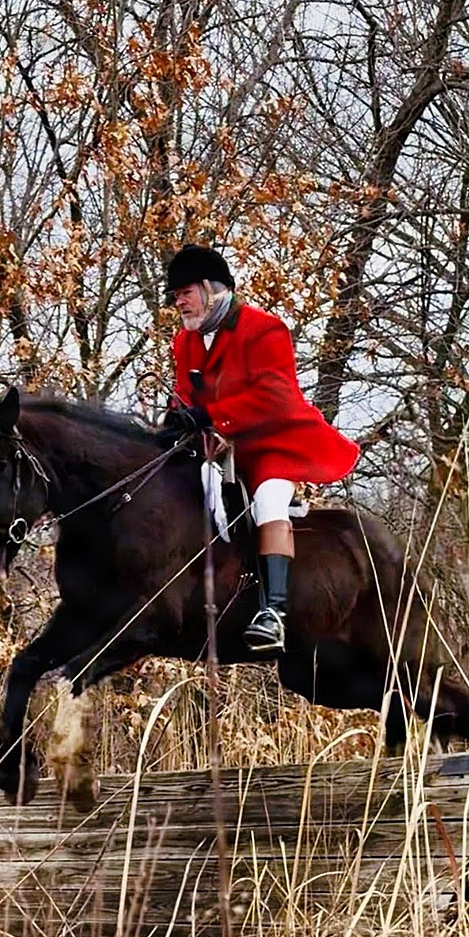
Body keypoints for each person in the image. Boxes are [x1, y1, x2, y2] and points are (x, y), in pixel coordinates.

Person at [163, 243, 360, 656]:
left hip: (274, 442)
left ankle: (274, 612)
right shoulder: (184, 343)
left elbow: (275, 397)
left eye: (185, 292)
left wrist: (210, 415)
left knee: (269, 499)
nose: (178, 301)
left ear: (211, 288)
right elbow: (184, 396)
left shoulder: (265, 329)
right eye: (176, 295)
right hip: (220, 447)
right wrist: (175, 421)